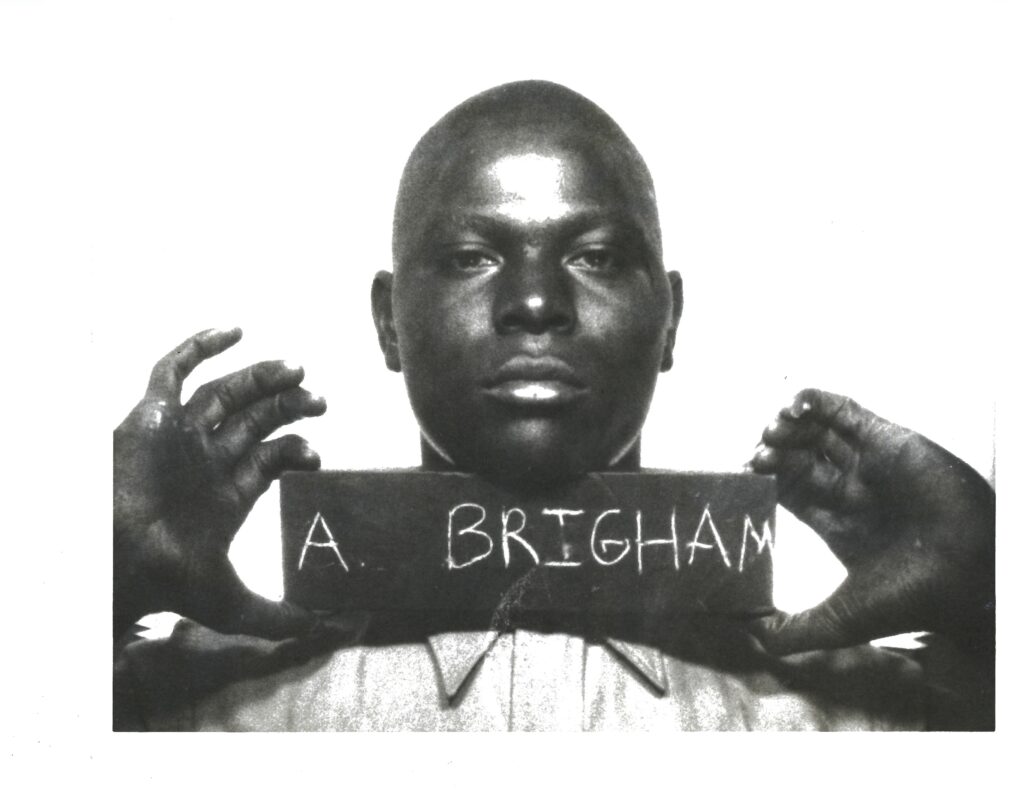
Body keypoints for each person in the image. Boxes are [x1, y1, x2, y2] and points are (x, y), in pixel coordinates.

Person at [113, 80, 994, 730]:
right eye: (471, 257)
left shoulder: (879, 719)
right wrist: (101, 569)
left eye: (597, 257)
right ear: (389, 322)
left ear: (671, 318)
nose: (535, 302)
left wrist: (990, 590)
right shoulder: (181, 709)